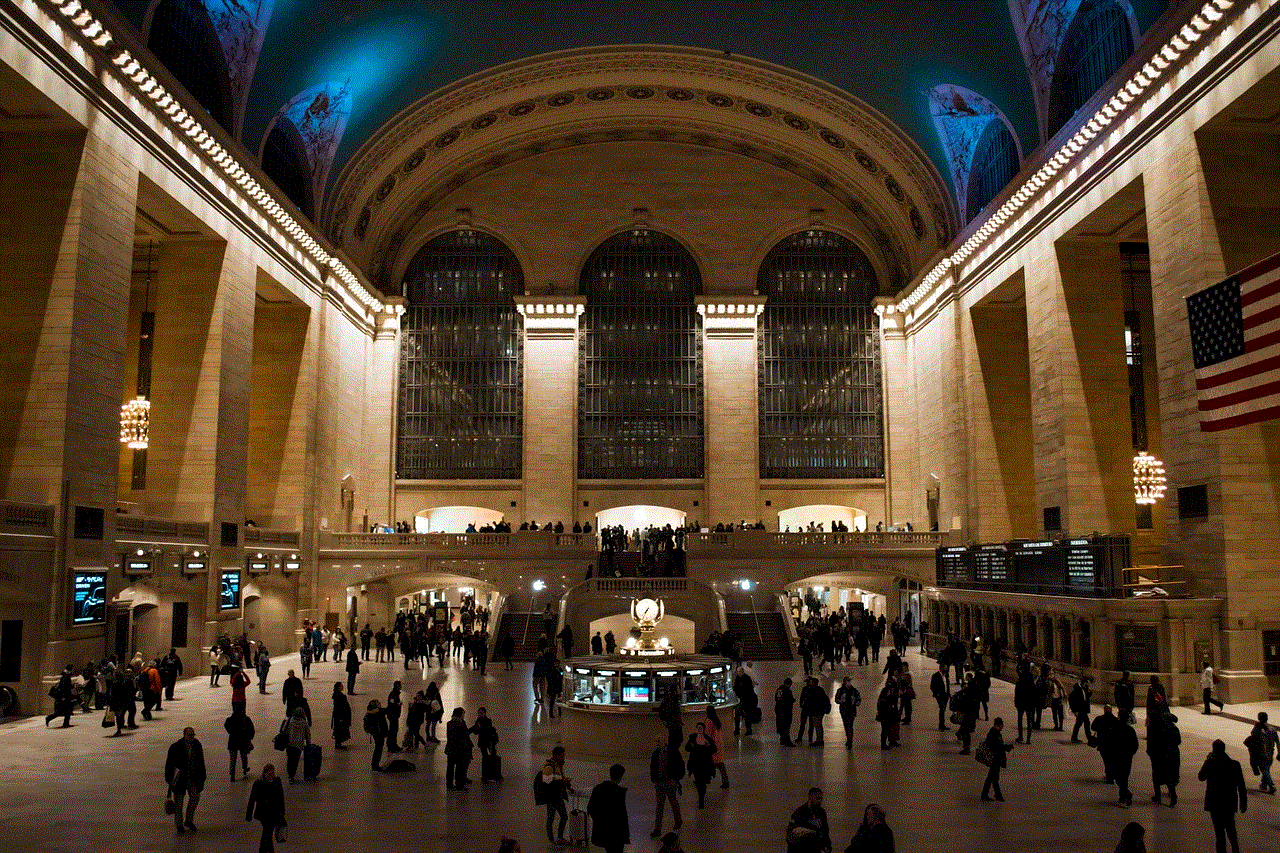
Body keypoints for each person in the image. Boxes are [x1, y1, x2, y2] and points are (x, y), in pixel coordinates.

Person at [1198, 739, 1247, 853]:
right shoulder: (1234, 764)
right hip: (1229, 803)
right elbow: (1241, 785)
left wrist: (1207, 760)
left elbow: (1201, 777)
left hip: (1215, 803)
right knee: (1231, 829)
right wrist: (1243, 803)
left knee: (1219, 833)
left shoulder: (1211, 763)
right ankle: (1235, 850)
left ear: (1213, 750)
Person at [165, 726, 207, 834]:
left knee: (195, 797)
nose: (191, 737)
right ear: (184, 735)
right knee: (178, 803)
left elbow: (201, 762)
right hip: (180, 779)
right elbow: (169, 764)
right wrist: (169, 779)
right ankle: (179, 825)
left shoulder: (197, 745)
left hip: (192, 777)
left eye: (193, 734)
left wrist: (202, 777)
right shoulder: (176, 747)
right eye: (189, 735)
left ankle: (188, 820)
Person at [587, 763, 630, 853]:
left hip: (603, 831)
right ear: (620, 776)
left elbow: (590, 808)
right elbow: (622, 816)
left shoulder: (598, 789)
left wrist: (599, 821)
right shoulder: (620, 792)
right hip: (616, 834)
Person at [245, 763, 286, 853]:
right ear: (265, 773)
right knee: (267, 832)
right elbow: (252, 799)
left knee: (267, 832)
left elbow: (280, 797)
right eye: (269, 774)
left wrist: (282, 813)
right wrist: (249, 814)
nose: (271, 776)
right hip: (263, 813)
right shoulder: (258, 783)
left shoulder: (276, 781)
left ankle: (265, 850)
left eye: (272, 774)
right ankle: (268, 850)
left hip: (273, 812)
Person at [649, 734, 684, 838]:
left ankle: (678, 820)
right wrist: (654, 779)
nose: (657, 744)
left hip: (670, 781)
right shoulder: (655, 753)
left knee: (673, 802)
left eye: (659, 741)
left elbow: (680, 765)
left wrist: (676, 779)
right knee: (659, 806)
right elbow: (653, 766)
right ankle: (657, 829)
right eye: (656, 742)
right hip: (659, 783)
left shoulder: (673, 751)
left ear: (664, 742)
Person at [540, 746, 573, 845]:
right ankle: (552, 839)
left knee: (562, 817)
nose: (563, 758)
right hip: (552, 797)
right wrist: (561, 781)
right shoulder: (549, 766)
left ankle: (558, 837)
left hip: (557, 796)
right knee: (552, 818)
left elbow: (558, 777)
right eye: (562, 756)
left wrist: (566, 784)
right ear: (556, 755)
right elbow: (546, 780)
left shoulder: (558, 765)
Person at [1148, 713, 1181, 806]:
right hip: (1173, 755)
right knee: (1170, 776)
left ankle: (1157, 796)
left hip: (1161, 755)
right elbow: (1178, 741)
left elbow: (1155, 742)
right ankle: (1173, 796)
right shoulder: (1175, 729)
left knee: (1157, 775)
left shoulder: (1160, 729)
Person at [786, 787, 831, 853]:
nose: (819, 801)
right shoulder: (800, 812)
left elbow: (825, 832)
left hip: (817, 847)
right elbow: (793, 832)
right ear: (810, 797)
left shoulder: (821, 812)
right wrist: (811, 832)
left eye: (821, 799)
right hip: (802, 847)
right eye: (817, 798)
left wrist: (828, 847)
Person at [1109, 712, 1139, 807]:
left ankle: (1124, 797)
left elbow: (1111, 742)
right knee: (1124, 777)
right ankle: (1125, 795)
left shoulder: (1115, 729)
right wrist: (1130, 753)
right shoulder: (1130, 730)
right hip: (1126, 757)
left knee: (1118, 777)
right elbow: (1135, 745)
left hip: (1117, 757)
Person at [980, 717, 1013, 801]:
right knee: (992, 777)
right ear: (1000, 725)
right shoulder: (995, 733)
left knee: (993, 777)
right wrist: (1006, 748)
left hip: (994, 758)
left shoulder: (993, 732)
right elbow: (997, 746)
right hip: (995, 758)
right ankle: (994, 795)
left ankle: (994, 794)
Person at [1244, 710, 1278, 794]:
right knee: (1266, 769)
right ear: (1267, 718)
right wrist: (1279, 752)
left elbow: (1252, 735)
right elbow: (1278, 741)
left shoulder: (1258, 728)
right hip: (1270, 753)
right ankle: (1263, 784)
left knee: (1264, 770)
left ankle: (1271, 785)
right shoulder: (1273, 729)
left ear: (1259, 718)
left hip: (1261, 752)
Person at [685, 722, 716, 808]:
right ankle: (701, 798)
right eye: (698, 727)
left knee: (703, 782)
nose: (699, 729)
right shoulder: (692, 738)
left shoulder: (707, 739)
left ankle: (701, 796)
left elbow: (714, 749)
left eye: (701, 728)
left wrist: (708, 745)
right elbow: (687, 748)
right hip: (696, 764)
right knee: (699, 782)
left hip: (705, 764)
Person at [444, 707, 473, 790]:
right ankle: (459, 785)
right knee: (459, 767)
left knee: (450, 767)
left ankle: (449, 785)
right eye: (463, 714)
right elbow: (464, 735)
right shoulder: (459, 723)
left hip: (451, 748)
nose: (464, 715)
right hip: (458, 749)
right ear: (460, 714)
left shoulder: (450, 723)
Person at [224, 708, 255, 781]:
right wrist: (250, 738)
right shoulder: (246, 719)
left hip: (233, 741)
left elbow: (226, 726)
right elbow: (251, 729)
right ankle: (245, 769)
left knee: (233, 759)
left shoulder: (230, 719)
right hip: (243, 741)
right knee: (244, 757)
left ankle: (232, 775)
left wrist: (231, 732)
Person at [283, 705, 310, 783]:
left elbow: (285, 730)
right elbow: (307, 734)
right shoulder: (304, 723)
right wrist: (308, 743)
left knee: (290, 759)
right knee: (295, 761)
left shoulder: (290, 721)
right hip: (298, 745)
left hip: (289, 744)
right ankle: (293, 774)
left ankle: (290, 775)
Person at [705, 705, 729, 788]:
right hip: (719, 744)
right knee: (720, 764)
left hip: (712, 745)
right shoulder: (716, 720)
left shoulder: (709, 721)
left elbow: (708, 734)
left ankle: (704, 779)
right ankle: (725, 781)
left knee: (707, 762)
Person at [835, 676, 861, 750]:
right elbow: (836, 699)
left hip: (851, 710)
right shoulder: (840, 690)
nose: (849, 682)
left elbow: (859, 699)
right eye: (848, 681)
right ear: (844, 682)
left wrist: (856, 702)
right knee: (846, 725)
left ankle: (850, 740)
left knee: (850, 725)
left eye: (849, 681)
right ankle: (848, 738)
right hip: (844, 710)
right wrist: (841, 701)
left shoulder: (854, 690)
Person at [362, 699, 387, 771]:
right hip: (379, 733)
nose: (380, 704)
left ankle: (375, 764)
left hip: (376, 733)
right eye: (379, 703)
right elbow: (386, 711)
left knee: (378, 748)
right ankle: (375, 765)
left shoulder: (371, 713)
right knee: (378, 749)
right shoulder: (377, 713)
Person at [733, 666, 758, 736]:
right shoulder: (738, 678)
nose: (738, 673)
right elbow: (735, 687)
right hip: (740, 700)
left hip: (747, 701)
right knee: (737, 716)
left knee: (747, 716)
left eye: (739, 672)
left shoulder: (747, 678)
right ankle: (737, 730)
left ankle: (748, 729)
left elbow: (749, 690)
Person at [1069, 675, 1094, 745]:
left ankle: (1075, 737)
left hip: (1083, 709)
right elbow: (1071, 698)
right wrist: (1074, 710)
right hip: (1080, 710)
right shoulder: (1078, 689)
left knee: (1080, 724)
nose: (1089, 684)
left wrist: (1089, 691)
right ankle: (1088, 738)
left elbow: (1086, 697)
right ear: (1085, 682)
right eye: (1089, 682)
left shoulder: (1084, 688)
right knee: (1085, 724)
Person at [775, 677, 796, 746]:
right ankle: (786, 740)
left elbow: (777, 698)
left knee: (781, 724)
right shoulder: (786, 690)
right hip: (785, 710)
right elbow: (785, 700)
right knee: (786, 725)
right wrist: (791, 701)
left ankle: (782, 739)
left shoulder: (780, 689)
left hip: (780, 710)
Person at [930, 662, 950, 731]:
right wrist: (936, 694)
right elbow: (932, 686)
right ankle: (941, 725)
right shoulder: (935, 675)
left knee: (943, 709)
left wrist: (948, 693)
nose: (947, 668)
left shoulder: (946, 675)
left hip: (945, 695)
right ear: (941, 668)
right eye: (945, 667)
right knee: (942, 709)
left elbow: (947, 684)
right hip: (940, 695)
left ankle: (942, 725)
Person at [331, 682, 351, 750]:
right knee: (340, 729)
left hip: (339, 716)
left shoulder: (337, 696)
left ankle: (338, 743)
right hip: (340, 716)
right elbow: (339, 707)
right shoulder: (339, 696)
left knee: (339, 729)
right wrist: (341, 717)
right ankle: (338, 744)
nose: (342, 687)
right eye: (341, 686)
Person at [385, 680, 403, 753]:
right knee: (392, 731)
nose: (401, 687)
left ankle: (394, 745)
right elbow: (392, 705)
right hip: (393, 715)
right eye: (400, 685)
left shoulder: (395, 694)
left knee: (394, 730)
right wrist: (398, 704)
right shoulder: (393, 695)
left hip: (394, 715)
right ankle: (391, 746)